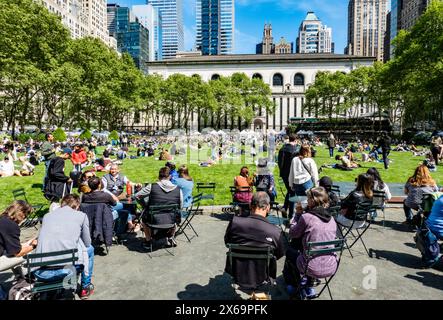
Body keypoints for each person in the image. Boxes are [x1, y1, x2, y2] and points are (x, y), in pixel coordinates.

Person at [33, 194, 95, 299]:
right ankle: (85, 287)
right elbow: (87, 242)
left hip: (40, 271)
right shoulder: (81, 216)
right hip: (66, 269)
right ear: (77, 206)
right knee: (90, 250)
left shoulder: (47, 216)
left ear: (62, 204)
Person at [224, 192, 286, 290]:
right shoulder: (275, 232)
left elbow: (227, 242)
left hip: (237, 271)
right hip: (263, 273)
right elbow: (279, 254)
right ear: (268, 207)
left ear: (250, 205)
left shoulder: (235, 222)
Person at [284, 187, 338, 299]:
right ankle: (309, 284)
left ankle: (295, 285)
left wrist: (297, 215)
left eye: (308, 199)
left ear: (312, 201)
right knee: (309, 252)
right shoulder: (332, 219)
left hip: (310, 266)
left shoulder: (307, 217)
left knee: (290, 251)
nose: (306, 201)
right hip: (331, 265)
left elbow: (293, 233)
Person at [135, 167, 183, 248]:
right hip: (171, 220)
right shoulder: (178, 190)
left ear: (159, 176)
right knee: (177, 215)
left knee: (144, 219)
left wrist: (144, 206)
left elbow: (137, 196)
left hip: (154, 220)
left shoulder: (152, 187)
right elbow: (180, 206)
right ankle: (170, 236)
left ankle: (148, 241)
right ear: (170, 177)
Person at [0, 201, 36, 278]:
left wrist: (27, 243)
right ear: (22, 213)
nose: (25, 218)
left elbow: (12, 246)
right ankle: (28, 279)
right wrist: (34, 246)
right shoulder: (11, 226)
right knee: (29, 254)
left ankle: (21, 279)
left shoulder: (2, 218)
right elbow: (17, 253)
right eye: (26, 215)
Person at [277, 133, 300, 218]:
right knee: (292, 192)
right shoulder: (295, 150)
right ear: (295, 140)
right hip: (292, 174)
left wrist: (282, 172)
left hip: (284, 173)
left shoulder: (282, 148)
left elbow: (280, 162)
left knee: (290, 191)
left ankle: (285, 208)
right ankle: (290, 214)